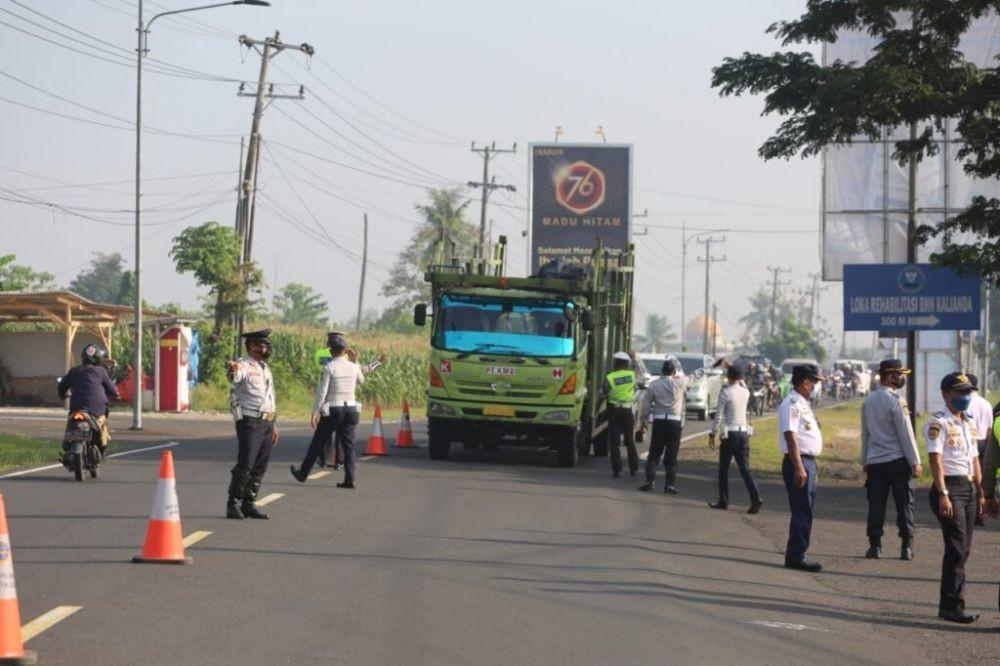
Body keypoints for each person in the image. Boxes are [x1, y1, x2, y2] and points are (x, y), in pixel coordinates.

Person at [924, 372, 986, 624]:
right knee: (957, 548)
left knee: (964, 549)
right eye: (959, 392)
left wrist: (981, 491)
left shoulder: (968, 422)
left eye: (968, 392)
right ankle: (952, 606)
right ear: (945, 394)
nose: (965, 397)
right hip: (949, 488)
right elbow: (935, 460)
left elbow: (974, 460)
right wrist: (943, 494)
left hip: (968, 489)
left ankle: (949, 604)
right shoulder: (938, 423)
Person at [291, 333, 384, 489]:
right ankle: (350, 479)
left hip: (335, 408)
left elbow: (322, 391)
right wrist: (355, 361)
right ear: (345, 351)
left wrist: (315, 411)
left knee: (318, 442)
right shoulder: (354, 366)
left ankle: (303, 473)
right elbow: (362, 380)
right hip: (352, 409)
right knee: (349, 445)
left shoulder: (330, 367)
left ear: (331, 351)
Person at [860, 359, 922, 560]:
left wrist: (865, 461)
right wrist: (915, 461)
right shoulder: (897, 401)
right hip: (897, 461)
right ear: (889, 376)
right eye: (899, 374)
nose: (902, 378)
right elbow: (906, 433)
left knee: (876, 504)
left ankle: (875, 546)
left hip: (875, 462)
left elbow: (865, 434)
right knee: (904, 504)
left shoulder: (868, 401)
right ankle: (906, 547)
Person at [225, 329, 279, 520]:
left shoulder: (265, 367)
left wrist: (274, 424)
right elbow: (235, 376)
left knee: (260, 465)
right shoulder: (244, 365)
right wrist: (232, 370)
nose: (267, 348)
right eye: (263, 344)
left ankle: (249, 503)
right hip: (250, 421)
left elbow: (270, 397)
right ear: (254, 346)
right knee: (246, 463)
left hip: (267, 421)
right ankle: (234, 503)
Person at [779, 363, 825, 572]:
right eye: (814, 382)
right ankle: (797, 555)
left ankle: (796, 552)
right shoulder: (793, 403)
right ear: (806, 382)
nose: (816, 386)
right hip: (799, 461)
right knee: (802, 511)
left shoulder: (803, 403)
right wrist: (799, 467)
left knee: (804, 509)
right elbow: (791, 436)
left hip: (807, 461)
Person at [708, 364, 762, 513]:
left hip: (730, 434)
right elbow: (742, 381)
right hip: (744, 433)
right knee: (745, 468)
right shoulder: (746, 392)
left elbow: (718, 416)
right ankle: (755, 497)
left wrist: (712, 434)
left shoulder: (725, 393)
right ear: (741, 377)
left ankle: (723, 500)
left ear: (729, 376)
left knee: (724, 468)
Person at [57, 344, 120, 459]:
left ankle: (67, 441)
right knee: (103, 426)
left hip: (76, 408)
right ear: (99, 359)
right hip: (97, 410)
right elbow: (112, 389)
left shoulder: (74, 371)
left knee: (71, 418)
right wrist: (116, 394)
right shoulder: (101, 371)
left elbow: (61, 387)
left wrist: (63, 395)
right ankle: (100, 450)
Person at [638, 359, 688, 493]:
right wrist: (712, 366)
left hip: (659, 421)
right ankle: (670, 485)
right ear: (674, 371)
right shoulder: (680, 382)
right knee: (671, 455)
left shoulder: (654, 385)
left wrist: (643, 423)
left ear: (662, 371)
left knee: (654, 453)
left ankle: (650, 481)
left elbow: (646, 406)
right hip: (674, 422)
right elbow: (695, 375)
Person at [601, 351, 640, 479]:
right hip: (628, 411)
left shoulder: (610, 377)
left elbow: (604, 391)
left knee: (615, 442)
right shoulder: (632, 375)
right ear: (626, 363)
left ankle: (617, 470)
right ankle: (634, 469)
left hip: (614, 411)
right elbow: (638, 382)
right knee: (630, 441)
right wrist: (634, 359)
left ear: (615, 363)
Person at [966, 374, 993, 527]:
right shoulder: (986, 403)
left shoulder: (967, 403)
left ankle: (969, 511)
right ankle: (981, 514)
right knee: (981, 480)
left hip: (970, 442)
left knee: (968, 479)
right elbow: (989, 428)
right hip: (984, 442)